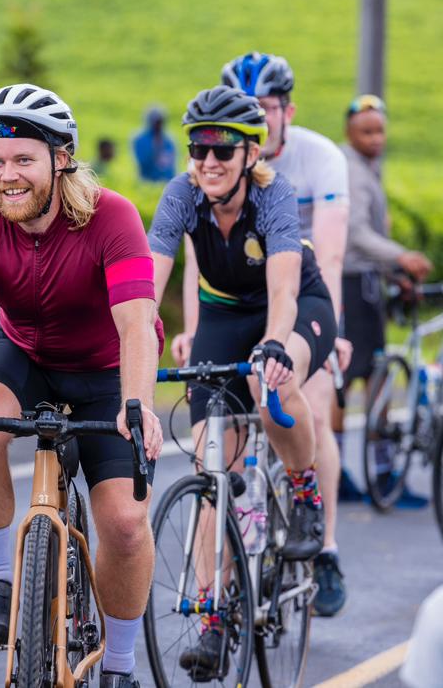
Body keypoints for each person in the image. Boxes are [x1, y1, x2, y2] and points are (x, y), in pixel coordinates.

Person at [0, 83, 163, 688]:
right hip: (24, 354)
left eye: (23, 159)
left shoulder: (112, 216)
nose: (7, 175)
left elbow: (137, 324)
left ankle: (119, 665)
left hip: (106, 369)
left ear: (61, 158)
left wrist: (138, 406)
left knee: (126, 524)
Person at [149, 85, 336, 678]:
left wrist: (276, 344)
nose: (208, 161)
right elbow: (147, 283)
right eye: (198, 148)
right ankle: (212, 616)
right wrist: (129, 339)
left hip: (294, 304)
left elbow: (283, 289)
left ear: (251, 153)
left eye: (223, 150)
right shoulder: (181, 193)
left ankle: (304, 491)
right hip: (225, 315)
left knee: (273, 387)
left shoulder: (272, 194)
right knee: (214, 465)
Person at [220, 51, 352, 616]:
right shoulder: (222, 157)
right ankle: (224, 577)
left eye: (266, 109)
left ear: (287, 110)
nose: (257, 118)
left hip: (305, 299)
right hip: (246, 301)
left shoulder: (319, 157)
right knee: (224, 438)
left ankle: (324, 548)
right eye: (246, 109)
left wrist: (331, 336)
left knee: (312, 410)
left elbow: (332, 253)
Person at [336, 95, 433, 496]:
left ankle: (374, 472)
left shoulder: (363, 167)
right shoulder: (353, 172)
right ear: (349, 133)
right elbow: (355, 234)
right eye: (367, 131)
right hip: (353, 284)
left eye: (380, 130)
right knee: (354, 378)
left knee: (365, 376)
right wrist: (401, 257)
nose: (376, 138)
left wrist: (394, 270)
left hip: (365, 281)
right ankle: (357, 473)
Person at [131, 105, 176, 182]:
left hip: (166, 181)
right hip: (146, 180)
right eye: (157, 122)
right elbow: (142, 161)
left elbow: (171, 163)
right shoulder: (140, 139)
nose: (159, 125)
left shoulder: (168, 140)